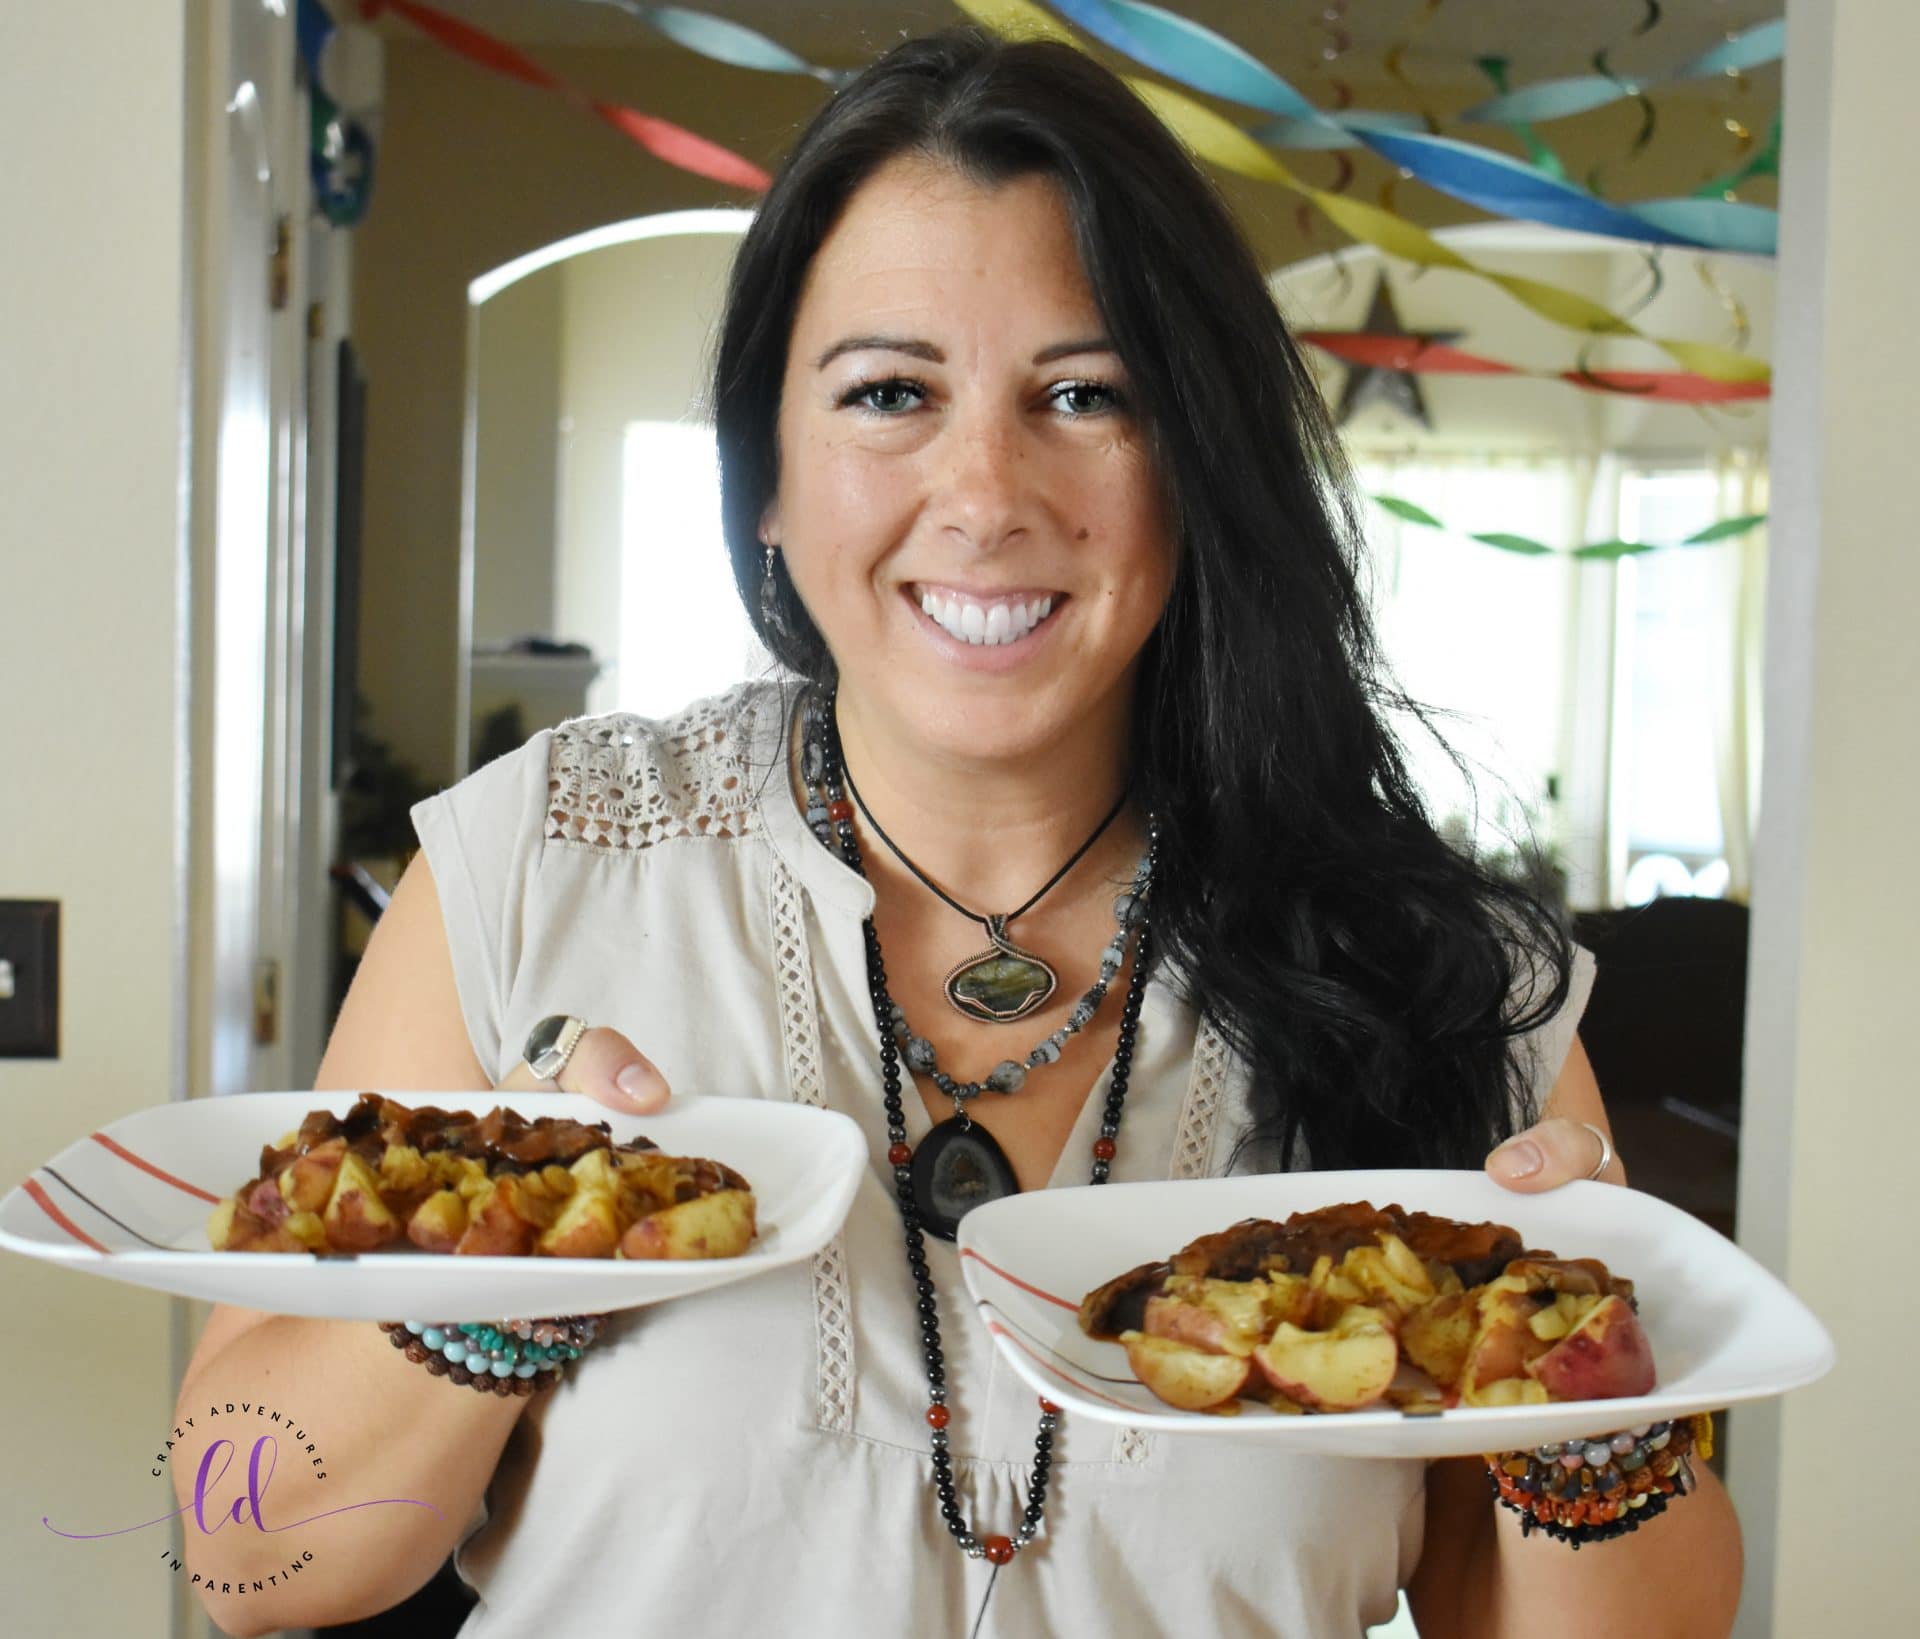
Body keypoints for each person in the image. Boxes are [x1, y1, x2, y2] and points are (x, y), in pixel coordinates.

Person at [174, 27, 1741, 1638]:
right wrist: (505, 1278)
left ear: (1193, 468)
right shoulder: (535, 870)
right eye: (888, 393)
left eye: (1083, 394)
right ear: (765, 477)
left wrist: (1587, 1383)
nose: (985, 489)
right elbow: (240, 1545)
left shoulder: (1442, 976)